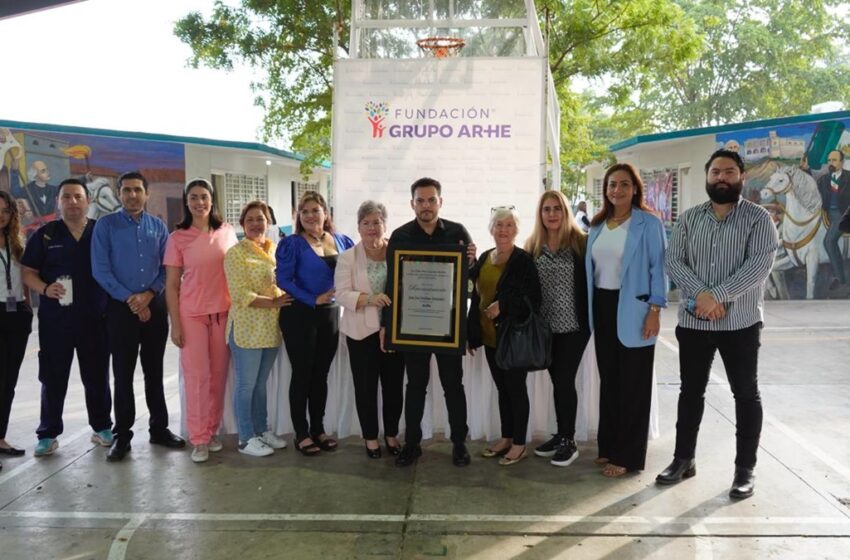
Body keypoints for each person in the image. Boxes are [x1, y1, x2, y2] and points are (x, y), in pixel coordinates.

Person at [656, 149, 779, 500]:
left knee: (745, 394)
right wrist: (702, 297)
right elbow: (674, 261)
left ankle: (745, 469)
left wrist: (720, 296)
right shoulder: (689, 218)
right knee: (690, 393)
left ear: (741, 177)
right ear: (707, 177)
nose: (721, 178)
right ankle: (683, 460)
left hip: (740, 323)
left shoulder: (758, 219)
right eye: (715, 172)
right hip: (694, 323)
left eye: (728, 172)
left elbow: (758, 266)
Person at [91, 171, 185, 462]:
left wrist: (148, 295)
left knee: (154, 371)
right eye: (126, 190)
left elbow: (165, 269)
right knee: (123, 375)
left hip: (153, 305)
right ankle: (123, 437)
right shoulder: (105, 226)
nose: (132, 195)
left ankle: (159, 429)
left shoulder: (158, 226)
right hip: (120, 309)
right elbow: (100, 270)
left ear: (147, 193)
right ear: (118, 194)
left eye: (137, 190)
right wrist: (130, 299)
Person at [383, 177, 477, 468]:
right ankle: (412, 444)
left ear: (440, 201)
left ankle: (459, 443)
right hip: (413, 327)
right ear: (412, 204)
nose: (426, 206)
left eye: (431, 199)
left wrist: (472, 262)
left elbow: (471, 280)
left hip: (448, 326)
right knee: (415, 386)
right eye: (420, 201)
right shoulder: (399, 236)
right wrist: (387, 326)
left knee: (453, 385)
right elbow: (393, 285)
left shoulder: (458, 232)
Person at [586, 163, 667, 477]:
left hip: (636, 309)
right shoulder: (597, 225)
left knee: (634, 385)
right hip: (603, 309)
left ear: (635, 188)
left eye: (623, 184)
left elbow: (658, 269)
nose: (616, 190)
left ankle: (628, 456)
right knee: (611, 383)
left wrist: (655, 310)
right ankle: (608, 446)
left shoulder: (648, 223)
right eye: (611, 184)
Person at [21, 179, 112, 457]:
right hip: (55, 321)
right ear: (58, 202)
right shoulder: (45, 235)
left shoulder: (100, 232)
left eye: (77, 197)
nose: (73, 202)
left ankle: (102, 426)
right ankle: (48, 433)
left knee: (97, 376)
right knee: (53, 376)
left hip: (95, 319)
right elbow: (28, 272)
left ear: (88, 201)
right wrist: (45, 289)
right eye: (67, 197)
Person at [164, 178, 238, 463]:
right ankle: (199, 438)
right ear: (186, 201)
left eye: (204, 197)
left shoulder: (227, 231)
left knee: (218, 378)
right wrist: (176, 324)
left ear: (212, 200)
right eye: (193, 197)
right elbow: (171, 285)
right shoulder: (177, 238)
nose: (199, 202)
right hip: (192, 315)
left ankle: (211, 430)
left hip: (224, 314)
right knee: (197, 378)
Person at [276, 191, 354, 455]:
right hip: (299, 314)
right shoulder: (292, 244)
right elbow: (283, 280)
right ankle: (301, 433)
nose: (310, 215)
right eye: (304, 211)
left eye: (315, 210)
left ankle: (318, 429)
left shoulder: (342, 240)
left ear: (325, 213)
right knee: (302, 374)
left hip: (330, 315)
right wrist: (313, 298)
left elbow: (358, 265)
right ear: (299, 216)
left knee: (321, 374)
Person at [469, 206, 540, 466]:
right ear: (491, 228)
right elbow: (475, 294)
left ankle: (520, 444)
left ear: (516, 230)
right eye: (499, 225)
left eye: (509, 225)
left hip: (512, 337)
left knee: (516, 390)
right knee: (502, 389)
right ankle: (507, 437)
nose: (503, 230)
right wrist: (471, 334)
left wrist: (503, 306)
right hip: (489, 337)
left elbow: (534, 299)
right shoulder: (486, 257)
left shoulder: (523, 260)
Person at [524, 190, 589, 467]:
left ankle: (569, 441)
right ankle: (561, 434)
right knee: (557, 383)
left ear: (565, 212)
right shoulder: (532, 246)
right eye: (546, 209)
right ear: (540, 215)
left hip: (573, 327)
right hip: (545, 329)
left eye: (557, 209)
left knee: (564, 382)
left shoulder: (581, 243)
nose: (552, 214)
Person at [335, 200, 404, 459]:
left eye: (377, 222)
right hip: (360, 333)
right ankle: (371, 437)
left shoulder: (397, 253)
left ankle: (392, 434)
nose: (372, 227)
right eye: (367, 223)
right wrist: (368, 299)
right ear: (359, 227)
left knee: (394, 386)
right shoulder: (347, 257)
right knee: (365, 388)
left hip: (393, 331)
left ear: (385, 224)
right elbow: (341, 294)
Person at [224, 201, 292, 457]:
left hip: (271, 327)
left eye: (260, 218)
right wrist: (274, 301)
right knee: (246, 385)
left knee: (261, 384)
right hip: (246, 327)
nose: (256, 223)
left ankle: (262, 430)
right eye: (250, 219)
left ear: (269, 222)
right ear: (242, 224)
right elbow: (240, 294)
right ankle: (245, 438)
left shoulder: (275, 250)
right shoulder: (236, 254)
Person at [0, 190, 32, 469]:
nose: (0, 216)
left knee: (8, 382)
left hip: (17, 313)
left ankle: (1, 437)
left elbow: (25, 277)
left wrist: (28, 307)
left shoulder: (17, 243)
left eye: (5, 211)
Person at [814, 151, 849, 291]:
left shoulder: (849, 177)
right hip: (828, 213)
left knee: (829, 241)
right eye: (829, 160)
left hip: (844, 214)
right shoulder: (823, 180)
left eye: (834, 160)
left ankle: (839, 278)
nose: (831, 163)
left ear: (842, 162)